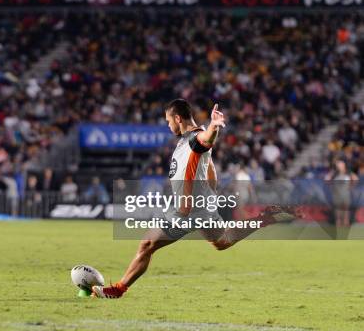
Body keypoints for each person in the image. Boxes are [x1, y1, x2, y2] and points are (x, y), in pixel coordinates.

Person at [92, 100, 297, 299]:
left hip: (187, 210)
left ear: (178, 118)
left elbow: (205, 140)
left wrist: (214, 128)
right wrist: (209, 192)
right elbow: (210, 169)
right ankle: (265, 218)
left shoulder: (194, 138)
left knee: (147, 244)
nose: (168, 125)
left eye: (168, 121)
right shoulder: (187, 141)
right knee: (222, 242)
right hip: (202, 206)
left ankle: (118, 290)